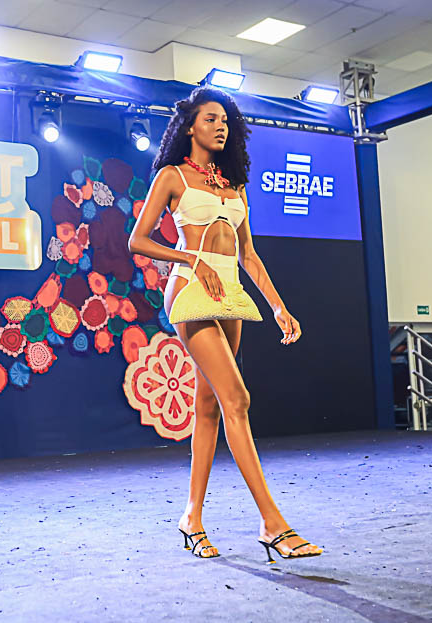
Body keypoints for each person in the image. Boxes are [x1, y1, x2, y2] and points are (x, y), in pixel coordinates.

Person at [128, 86, 322, 562]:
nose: (221, 127)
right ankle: (273, 524)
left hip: (230, 293)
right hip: (190, 289)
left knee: (210, 405)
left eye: (226, 121)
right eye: (211, 118)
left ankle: (191, 518)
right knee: (238, 398)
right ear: (190, 126)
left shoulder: (233, 185)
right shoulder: (172, 177)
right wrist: (191, 259)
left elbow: (248, 254)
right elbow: (138, 241)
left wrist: (278, 306)